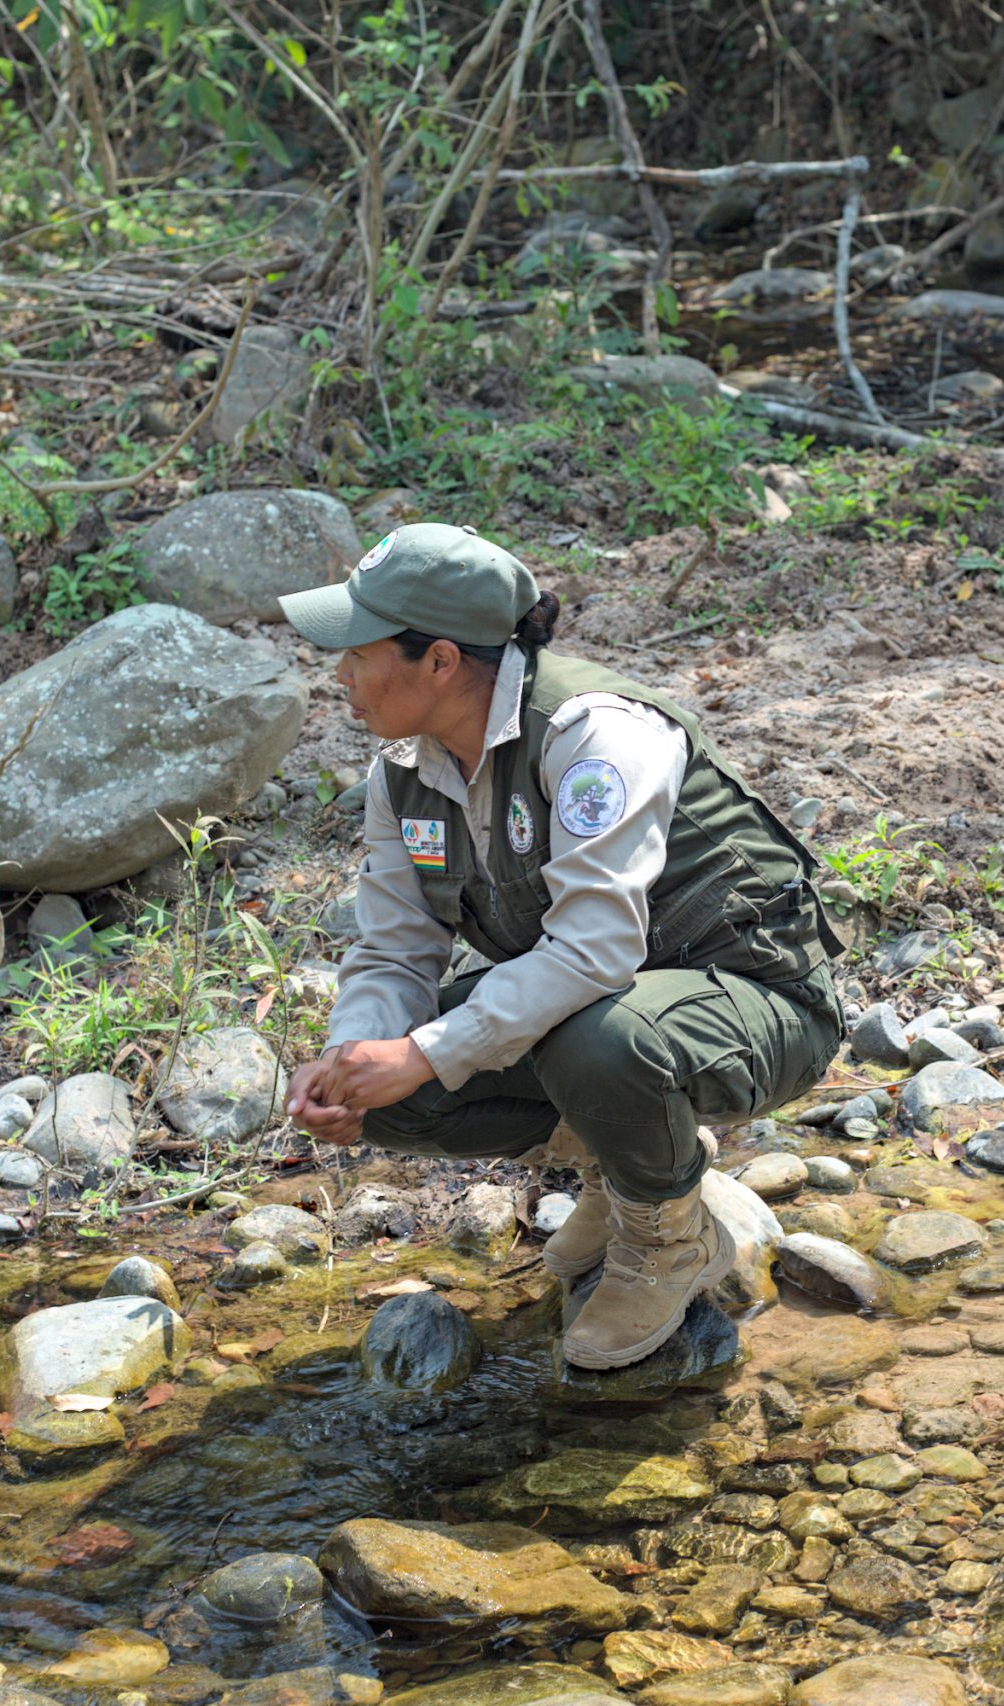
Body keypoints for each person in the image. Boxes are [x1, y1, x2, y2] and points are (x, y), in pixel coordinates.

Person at [278, 524, 843, 1370]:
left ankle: (667, 1235)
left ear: (438, 661)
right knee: (386, 1095)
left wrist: (427, 1050)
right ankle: (624, 1168)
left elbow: (593, 949)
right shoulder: (404, 775)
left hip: (755, 1001)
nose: (339, 675)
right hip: (613, 1004)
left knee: (594, 1041)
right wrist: (351, 1059)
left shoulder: (593, 735)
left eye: (356, 652)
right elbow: (394, 950)